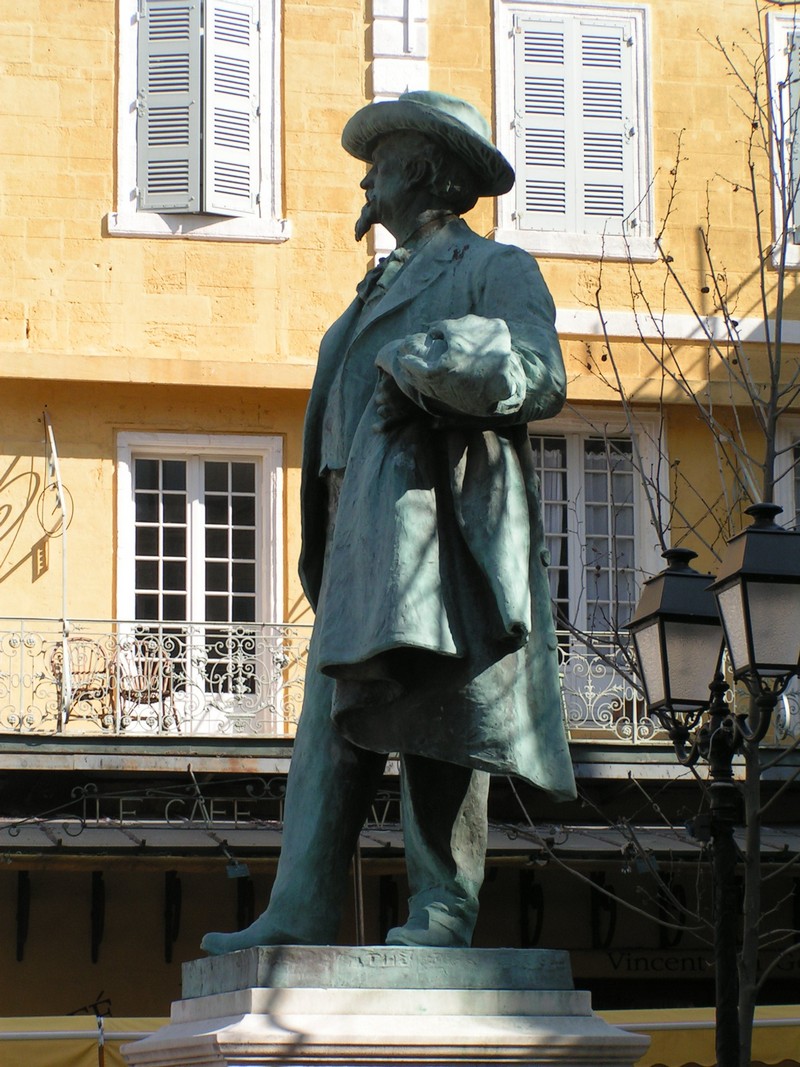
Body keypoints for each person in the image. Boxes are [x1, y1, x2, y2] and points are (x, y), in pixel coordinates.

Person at [202, 91, 576, 953]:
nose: (366, 177)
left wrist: (439, 363)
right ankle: (299, 905)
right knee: (330, 725)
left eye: (384, 159)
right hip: (357, 530)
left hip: (438, 531)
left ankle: (443, 908)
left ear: (425, 171)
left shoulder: (493, 267)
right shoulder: (379, 281)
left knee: (440, 708)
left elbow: (539, 372)